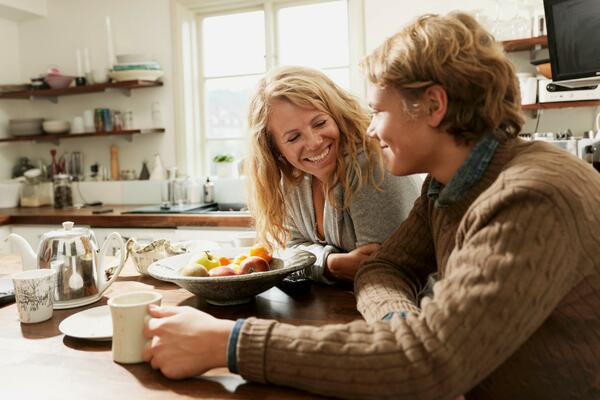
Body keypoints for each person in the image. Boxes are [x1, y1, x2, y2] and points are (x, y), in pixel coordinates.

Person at [143, 12, 600, 399]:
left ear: (433, 106)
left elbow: (430, 360)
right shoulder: (445, 190)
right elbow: (385, 269)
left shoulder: (532, 195)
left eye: (379, 110)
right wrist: (396, 323)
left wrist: (229, 343)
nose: (372, 130)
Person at [245, 65, 420, 283]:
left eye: (320, 123)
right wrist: (330, 264)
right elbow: (284, 253)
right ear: (275, 150)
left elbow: (379, 270)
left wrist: (309, 260)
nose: (314, 142)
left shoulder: (370, 163)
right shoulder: (295, 178)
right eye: (293, 138)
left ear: (337, 114)